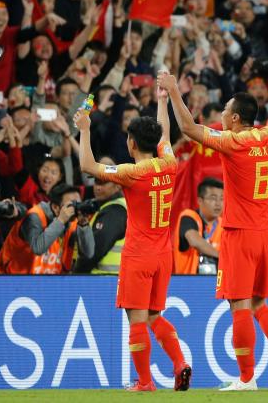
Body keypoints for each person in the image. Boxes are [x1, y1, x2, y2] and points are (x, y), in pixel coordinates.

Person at [160, 71, 268, 391]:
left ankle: (247, 379)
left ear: (235, 118)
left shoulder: (233, 142)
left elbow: (187, 128)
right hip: (264, 232)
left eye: (225, 110)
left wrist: (172, 91)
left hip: (238, 232)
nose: (221, 114)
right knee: (258, 303)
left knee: (238, 304)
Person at [74, 85, 190, 392]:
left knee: (137, 320)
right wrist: (162, 102)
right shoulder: (169, 163)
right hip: (164, 255)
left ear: (131, 142)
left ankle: (145, 382)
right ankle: (179, 363)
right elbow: (164, 137)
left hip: (138, 255)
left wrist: (84, 129)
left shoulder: (130, 172)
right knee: (154, 316)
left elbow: (88, 166)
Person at [0, 183, 94, 275]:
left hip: (46, 282)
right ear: (56, 207)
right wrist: (61, 220)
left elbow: (88, 253)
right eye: (71, 205)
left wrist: (84, 225)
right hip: (13, 281)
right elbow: (38, 248)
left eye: (78, 204)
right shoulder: (35, 216)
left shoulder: (72, 221)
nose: (76, 209)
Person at [73, 157, 130, 274]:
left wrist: (75, 276)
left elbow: (93, 252)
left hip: (105, 284)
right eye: (96, 181)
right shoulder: (111, 207)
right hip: (108, 282)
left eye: (103, 182)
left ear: (118, 185)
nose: (98, 187)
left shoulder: (114, 211)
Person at [174, 179, 224, 275]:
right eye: (213, 198)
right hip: (187, 284)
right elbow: (194, 241)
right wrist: (221, 256)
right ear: (200, 200)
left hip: (217, 283)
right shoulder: (188, 216)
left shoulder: (224, 225)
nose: (218, 203)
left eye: (222, 198)